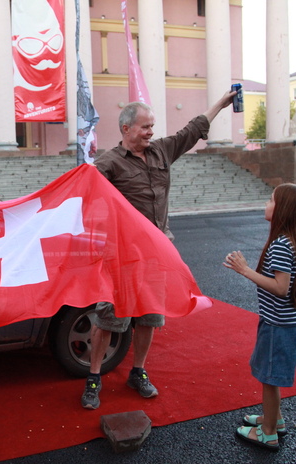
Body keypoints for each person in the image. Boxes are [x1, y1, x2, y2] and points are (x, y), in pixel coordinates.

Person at [81, 90, 236, 409]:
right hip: (122, 257)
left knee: (150, 317)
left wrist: (221, 103)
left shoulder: (162, 150)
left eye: (152, 126)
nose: (151, 132)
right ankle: (93, 378)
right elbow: (84, 196)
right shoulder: (107, 163)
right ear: (126, 129)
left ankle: (137, 372)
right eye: (145, 127)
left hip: (157, 253)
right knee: (109, 320)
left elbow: (193, 129)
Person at [223, 183, 296, 451]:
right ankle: (275, 419)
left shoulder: (281, 244)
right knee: (270, 375)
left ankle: (268, 432)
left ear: (284, 210)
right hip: (285, 322)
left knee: (269, 378)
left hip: (278, 324)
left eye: (271, 200)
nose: (267, 204)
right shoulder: (294, 240)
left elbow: (280, 287)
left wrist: (245, 270)